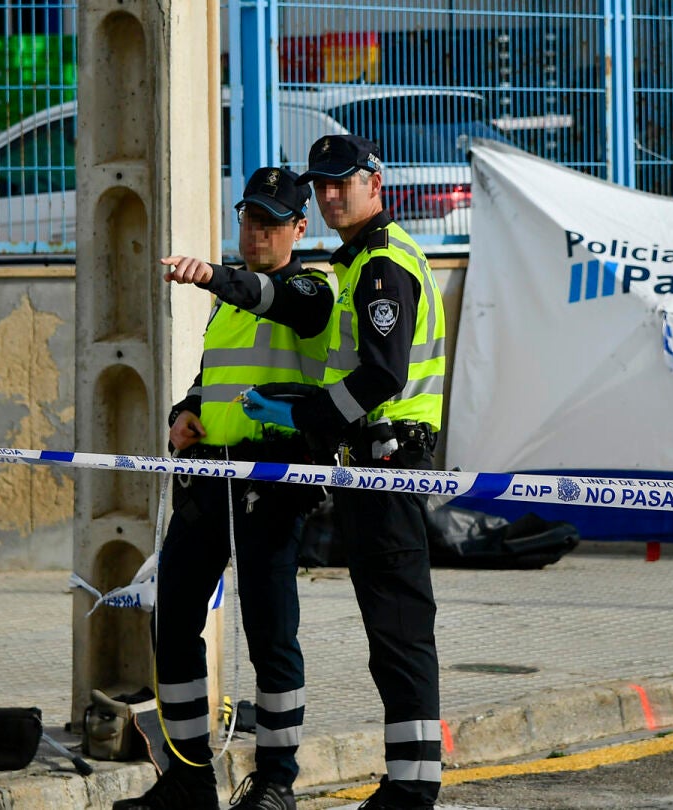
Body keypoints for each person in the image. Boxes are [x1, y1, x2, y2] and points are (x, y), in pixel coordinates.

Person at [112, 166, 332, 810]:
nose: (256, 232)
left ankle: (277, 783)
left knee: (271, 637)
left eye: (271, 223)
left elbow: (276, 299)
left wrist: (211, 274)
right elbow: (213, 379)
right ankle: (188, 779)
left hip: (272, 482)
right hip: (210, 479)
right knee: (172, 621)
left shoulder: (312, 288)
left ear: (299, 228)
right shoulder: (229, 301)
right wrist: (185, 411)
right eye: (248, 219)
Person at [239, 134, 447, 809]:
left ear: (374, 183)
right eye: (321, 184)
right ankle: (407, 783)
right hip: (369, 463)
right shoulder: (357, 260)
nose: (329, 195)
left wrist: (311, 417)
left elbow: (383, 375)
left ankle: (411, 792)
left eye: (342, 182)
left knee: (398, 630)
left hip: (388, 464)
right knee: (391, 632)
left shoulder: (382, 264)